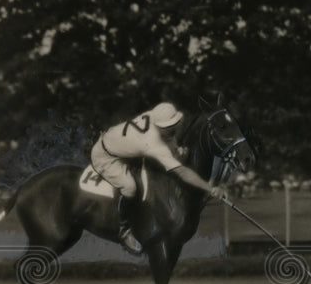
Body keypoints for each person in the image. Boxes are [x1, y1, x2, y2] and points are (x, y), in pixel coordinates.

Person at [90, 102, 228, 254]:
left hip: (120, 145)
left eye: (173, 125)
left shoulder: (154, 117)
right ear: (159, 126)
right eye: (167, 127)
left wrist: (175, 150)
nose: (171, 130)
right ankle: (124, 231)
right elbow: (182, 172)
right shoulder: (152, 144)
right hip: (105, 156)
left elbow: (169, 138)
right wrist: (210, 188)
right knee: (130, 187)